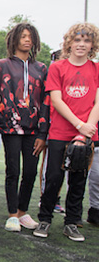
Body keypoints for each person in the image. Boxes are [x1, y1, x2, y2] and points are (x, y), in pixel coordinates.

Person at [0, 23, 49, 232]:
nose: (27, 40)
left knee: (30, 172)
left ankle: (23, 212)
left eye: (30, 37)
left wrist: (43, 132)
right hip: (10, 127)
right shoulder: (1, 65)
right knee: (13, 170)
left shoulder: (41, 68)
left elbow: (46, 100)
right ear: (14, 40)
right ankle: (12, 215)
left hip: (34, 129)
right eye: (23, 36)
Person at [34, 23, 99, 241]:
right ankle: (45, 219)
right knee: (53, 177)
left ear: (92, 45)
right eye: (77, 40)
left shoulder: (96, 69)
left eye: (86, 40)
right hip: (61, 132)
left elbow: (97, 102)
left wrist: (86, 130)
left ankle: (71, 222)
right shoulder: (58, 67)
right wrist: (79, 125)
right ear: (69, 42)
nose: (81, 44)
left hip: (87, 134)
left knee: (78, 180)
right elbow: (56, 99)